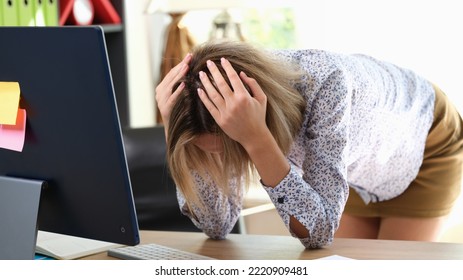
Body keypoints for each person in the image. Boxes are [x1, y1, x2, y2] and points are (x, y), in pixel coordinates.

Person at [155, 40, 463, 248]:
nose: (222, 159)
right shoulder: (223, 109)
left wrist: (256, 138)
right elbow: (216, 225)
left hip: (423, 138)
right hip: (354, 165)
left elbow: (318, 232)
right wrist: (176, 130)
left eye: (223, 149)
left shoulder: (327, 83)